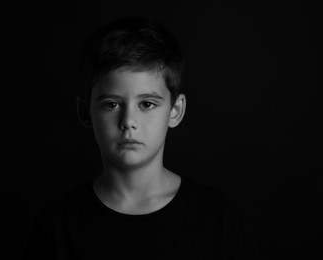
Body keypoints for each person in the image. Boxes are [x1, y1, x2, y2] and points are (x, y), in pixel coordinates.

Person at [23, 16, 262, 260]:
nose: (128, 121)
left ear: (175, 111)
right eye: (112, 104)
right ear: (85, 112)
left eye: (147, 104)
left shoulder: (218, 219)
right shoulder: (56, 228)